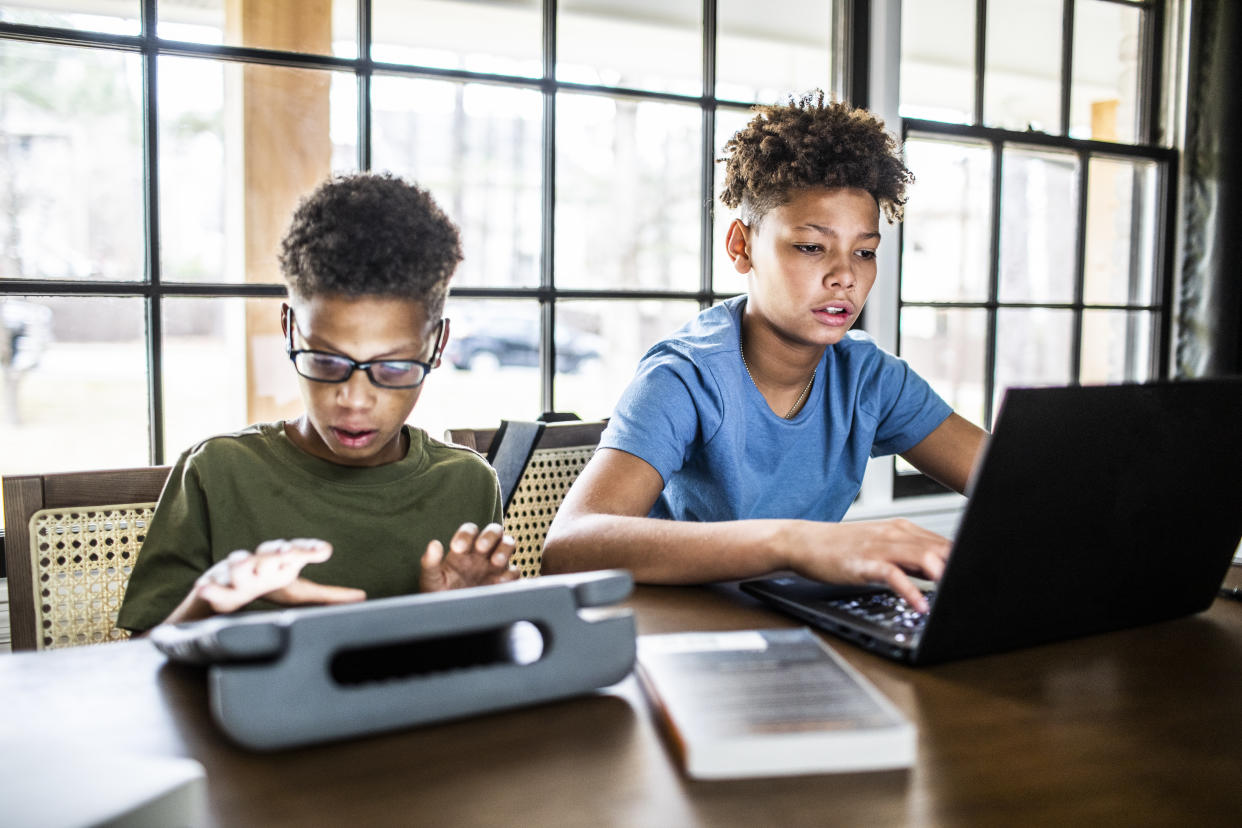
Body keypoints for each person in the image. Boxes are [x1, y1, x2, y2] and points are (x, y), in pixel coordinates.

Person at [542, 91, 988, 612]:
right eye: (810, 246)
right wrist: (793, 543)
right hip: (678, 639)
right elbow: (569, 546)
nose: (845, 275)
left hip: (796, 626)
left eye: (864, 252)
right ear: (742, 246)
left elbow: (1020, 489)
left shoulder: (870, 379)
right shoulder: (684, 377)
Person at [117, 173, 516, 634]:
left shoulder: (468, 484)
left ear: (437, 346)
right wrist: (207, 601)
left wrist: (466, 618)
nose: (354, 399)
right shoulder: (218, 472)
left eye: (392, 368)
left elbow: (485, 666)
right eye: (325, 360)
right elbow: (144, 664)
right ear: (289, 330)